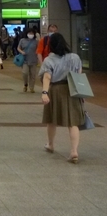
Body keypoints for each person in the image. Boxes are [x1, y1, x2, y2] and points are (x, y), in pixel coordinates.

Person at [39, 33, 85, 164]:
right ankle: (74, 151)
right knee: (73, 122)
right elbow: (79, 75)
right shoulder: (75, 57)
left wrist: (44, 92)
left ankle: (50, 144)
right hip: (72, 89)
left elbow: (47, 77)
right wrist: (80, 93)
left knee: (51, 119)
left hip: (55, 90)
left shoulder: (49, 59)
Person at [18, 28, 39, 93]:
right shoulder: (22, 40)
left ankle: (31, 87)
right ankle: (25, 84)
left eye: (32, 33)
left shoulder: (36, 41)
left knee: (33, 75)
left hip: (33, 60)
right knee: (25, 73)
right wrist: (21, 52)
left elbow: (38, 50)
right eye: (29, 33)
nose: (31, 34)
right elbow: (18, 48)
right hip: (25, 60)